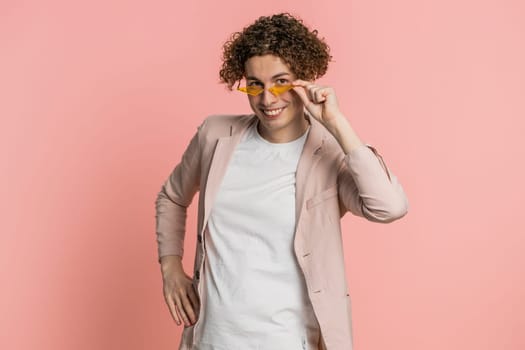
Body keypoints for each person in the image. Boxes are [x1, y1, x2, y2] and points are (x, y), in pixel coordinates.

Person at [155, 13, 409, 350]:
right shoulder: (216, 135)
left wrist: (337, 124)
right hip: (212, 339)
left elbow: (389, 207)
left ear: (303, 80)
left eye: (280, 82)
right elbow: (172, 196)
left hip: (289, 340)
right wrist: (171, 266)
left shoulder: (327, 154)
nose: (267, 98)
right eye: (255, 84)